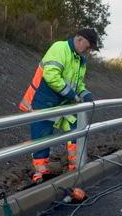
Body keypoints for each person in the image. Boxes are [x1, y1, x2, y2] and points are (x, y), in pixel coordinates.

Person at [18, 28, 99, 183]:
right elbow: (51, 76)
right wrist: (71, 95)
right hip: (45, 100)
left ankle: (75, 168)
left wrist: (84, 93)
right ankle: (41, 174)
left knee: (76, 130)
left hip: (64, 102)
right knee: (42, 137)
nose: (88, 51)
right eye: (88, 46)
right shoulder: (60, 48)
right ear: (79, 39)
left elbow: (77, 84)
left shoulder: (80, 60)